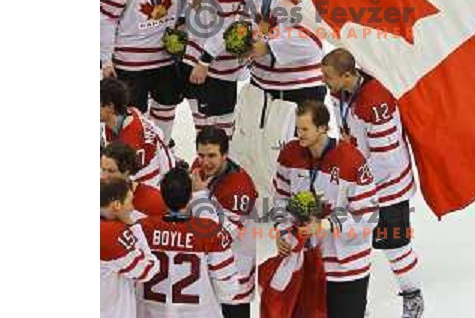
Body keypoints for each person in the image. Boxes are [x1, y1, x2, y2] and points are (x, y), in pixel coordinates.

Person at [321, 49, 424, 318]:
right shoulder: (338, 91)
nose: (323, 80)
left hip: (388, 187)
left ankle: (412, 295)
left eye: (328, 76)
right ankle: (355, 304)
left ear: (346, 75)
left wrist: (359, 181)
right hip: (359, 181)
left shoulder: (376, 100)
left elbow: (387, 160)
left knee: (395, 245)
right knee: (352, 245)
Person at [272, 100, 378, 318]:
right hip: (307, 260)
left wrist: (325, 224)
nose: (298, 134)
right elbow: (280, 197)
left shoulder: (351, 160)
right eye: (297, 128)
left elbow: (367, 216)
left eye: (304, 129)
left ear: (323, 128)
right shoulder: (290, 154)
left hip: (346, 265)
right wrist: (282, 232)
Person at [100, 0, 191, 142]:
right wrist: (106, 60)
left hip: (166, 55)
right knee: (132, 115)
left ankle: (163, 150)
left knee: (167, 105)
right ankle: (132, 161)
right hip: (131, 60)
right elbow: (107, 19)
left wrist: (181, 20)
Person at [230, 0, 326, 198]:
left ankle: (301, 212)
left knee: (298, 159)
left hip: (299, 90)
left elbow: (314, 42)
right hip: (260, 88)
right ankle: (263, 204)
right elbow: (247, 24)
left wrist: (268, 48)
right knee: (255, 151)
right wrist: (242, 43)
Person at [137, 167, 241, 318]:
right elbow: (228, 290)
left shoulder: (141, 228)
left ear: (162, 194)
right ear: (190, 195)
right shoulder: (209, 231)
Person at [182, 0, 254, 138]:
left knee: (220, 127)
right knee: (203, 121)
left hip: (217, 60)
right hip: (201, 48)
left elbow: (229, 20)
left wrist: (205, 60)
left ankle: (223, 167)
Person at [190, 126, 259, 317]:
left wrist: (200, 197)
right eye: (201, 155)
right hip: (209, 265)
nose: (204, 162)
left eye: (211, 156)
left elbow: (223, 236)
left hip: (234, 267)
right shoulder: (198, 168)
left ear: (225, 154)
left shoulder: (240, 188)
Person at [101, 78, 175, 188]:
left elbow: (121, 180)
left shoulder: (131, 140)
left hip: (147, 186)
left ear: (110, 107)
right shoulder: (128, 112)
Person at [100, 177, 158, 318]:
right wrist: (134, 227)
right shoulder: (112, 234)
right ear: (117, 205)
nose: (132, 207)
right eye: (130, 201)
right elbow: (149, 269)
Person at [101, 141, 167, 220]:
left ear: (127, 171)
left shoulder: (155, 202)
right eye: (103, 169)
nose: (103, 176)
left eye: (111, 171)